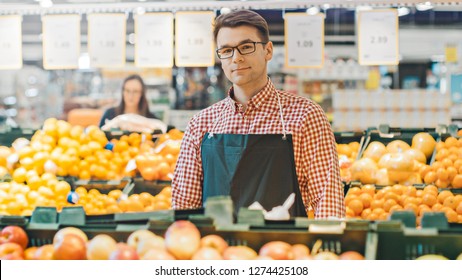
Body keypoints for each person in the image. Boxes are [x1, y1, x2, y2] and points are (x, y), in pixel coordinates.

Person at [172, 10, 345, 219]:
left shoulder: (306, 116)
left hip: (284, 247)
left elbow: (327, 201)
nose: (236, 58)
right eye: (226, 50)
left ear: (268, 50)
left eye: (246, 47)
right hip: (216, 248)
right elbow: (184, 206)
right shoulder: (201, 124)